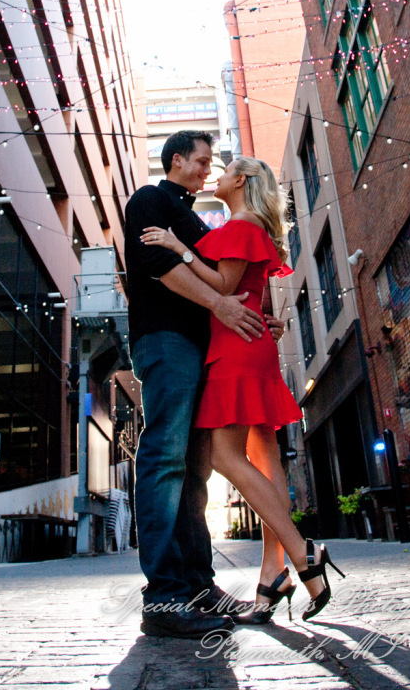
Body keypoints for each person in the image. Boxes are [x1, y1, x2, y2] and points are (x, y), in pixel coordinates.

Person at [141, 156, 345, 624]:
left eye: (226, 167)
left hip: (235, 349)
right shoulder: (250, 226)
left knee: (224, 457)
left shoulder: (240, 224)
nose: (217, 173)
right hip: (250, 345)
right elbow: (251, 292)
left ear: (243, 181)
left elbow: (223, 285)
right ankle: (276, 573)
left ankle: (301, 552)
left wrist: (178, 247)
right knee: (265, 457)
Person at [124, 131, 283, 639]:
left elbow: (226, 280)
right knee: (166, 458)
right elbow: (162, 268)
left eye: (213, 162)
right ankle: (165, 598)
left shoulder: (195, 218)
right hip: (166, 340)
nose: (207, 169)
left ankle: (197, 586)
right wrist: (220, 305)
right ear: (176, 160)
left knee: (196, 469)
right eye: (201, 160)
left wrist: (253, 314)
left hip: (203, 350)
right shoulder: (151, 199)